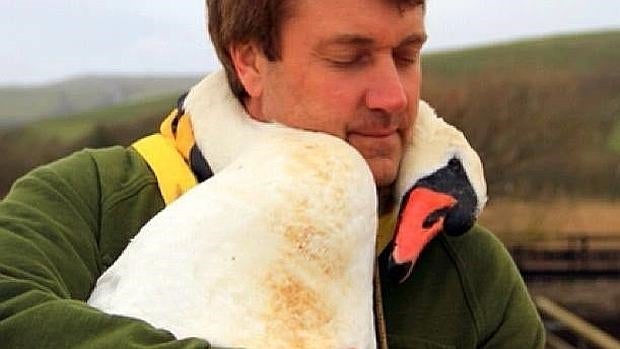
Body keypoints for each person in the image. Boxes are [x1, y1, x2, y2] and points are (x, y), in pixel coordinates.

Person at [0, 0, 545, 348]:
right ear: (250, 63)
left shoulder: (470, 276)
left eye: (406, 55)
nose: (393, 97)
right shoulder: (93, 201)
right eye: (349, 58)